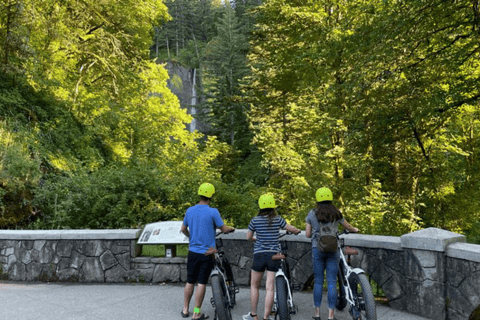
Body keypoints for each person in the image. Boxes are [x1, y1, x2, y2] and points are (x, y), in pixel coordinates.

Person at [181, 182, 235, 320]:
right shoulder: (213, 211)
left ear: (199, 194)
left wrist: (191, 237)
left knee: (189, 281)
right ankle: (196, 312)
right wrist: (230, 229)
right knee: (201, 283)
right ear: (211, 196)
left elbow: (183, 229)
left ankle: (185, 309)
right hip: (207, 253)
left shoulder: (190, 210)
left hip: (192, 252)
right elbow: (223, 229)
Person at [243, 194, 301, 320]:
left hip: (259, 255)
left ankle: (253, 315)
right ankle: (266, 316)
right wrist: (296, 230)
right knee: (270, 287)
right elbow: (289, 228)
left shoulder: (255, 220)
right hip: (274, 255)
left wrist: (254, 239)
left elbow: (248, 237)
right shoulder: (277, 219)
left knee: (254, 286)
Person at [306, 187, 359, 320]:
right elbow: (347, 226)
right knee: (331, 282)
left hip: (317, 249)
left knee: (318, 281)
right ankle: (331, 316)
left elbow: (307, 234)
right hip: (333, 249)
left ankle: (317, 314)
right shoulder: (336, 213)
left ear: (317, 199)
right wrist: (354, 229)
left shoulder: (312, 213)